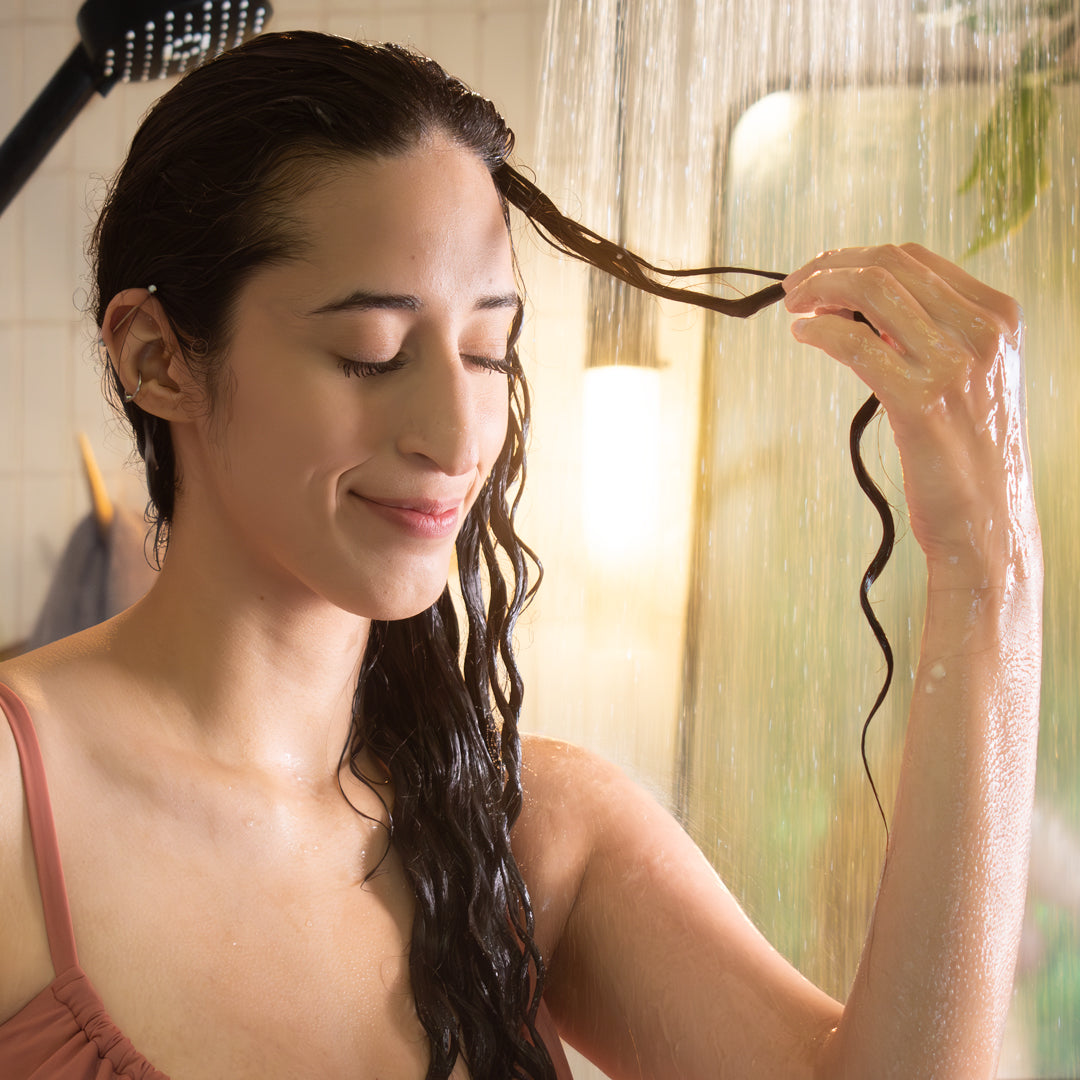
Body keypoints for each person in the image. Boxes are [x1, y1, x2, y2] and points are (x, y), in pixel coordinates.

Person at [0, 30, 1042, 1080]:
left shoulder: (530, 839)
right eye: (370, 354)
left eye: (487, 351)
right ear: (155, 356)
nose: (457, 439)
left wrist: (987, 573)